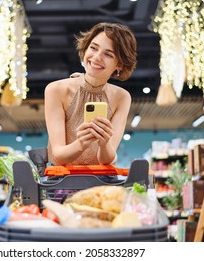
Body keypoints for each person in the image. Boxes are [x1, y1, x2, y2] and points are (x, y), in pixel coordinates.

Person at [44, 22, 137, 166]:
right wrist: (81, 143)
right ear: (85, 49)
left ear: (119, 65)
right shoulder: (55, 90)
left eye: (108, 54)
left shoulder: (122, 97)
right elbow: (58, 156)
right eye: (93, 48)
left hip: (101, 182)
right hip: (60, 183)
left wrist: (104, 144)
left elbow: (107, 160)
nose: (97, 57)